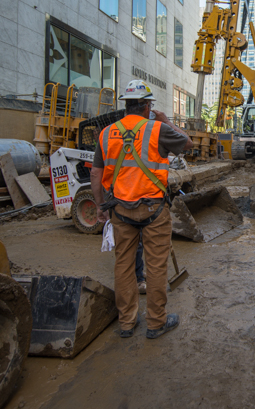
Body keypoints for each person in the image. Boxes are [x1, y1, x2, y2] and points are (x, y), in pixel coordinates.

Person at [90, 80, 193, 339]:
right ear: (147, 106)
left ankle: (126, 322)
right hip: (153, 211)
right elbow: (188, 143)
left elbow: (95, 174)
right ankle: (156, 323)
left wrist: (102, 207)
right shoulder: (158, 129)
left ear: (126, 105)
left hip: (120, 211)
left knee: (123, 265)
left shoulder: (106, 133)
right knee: (156, 267)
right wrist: (166, 120)